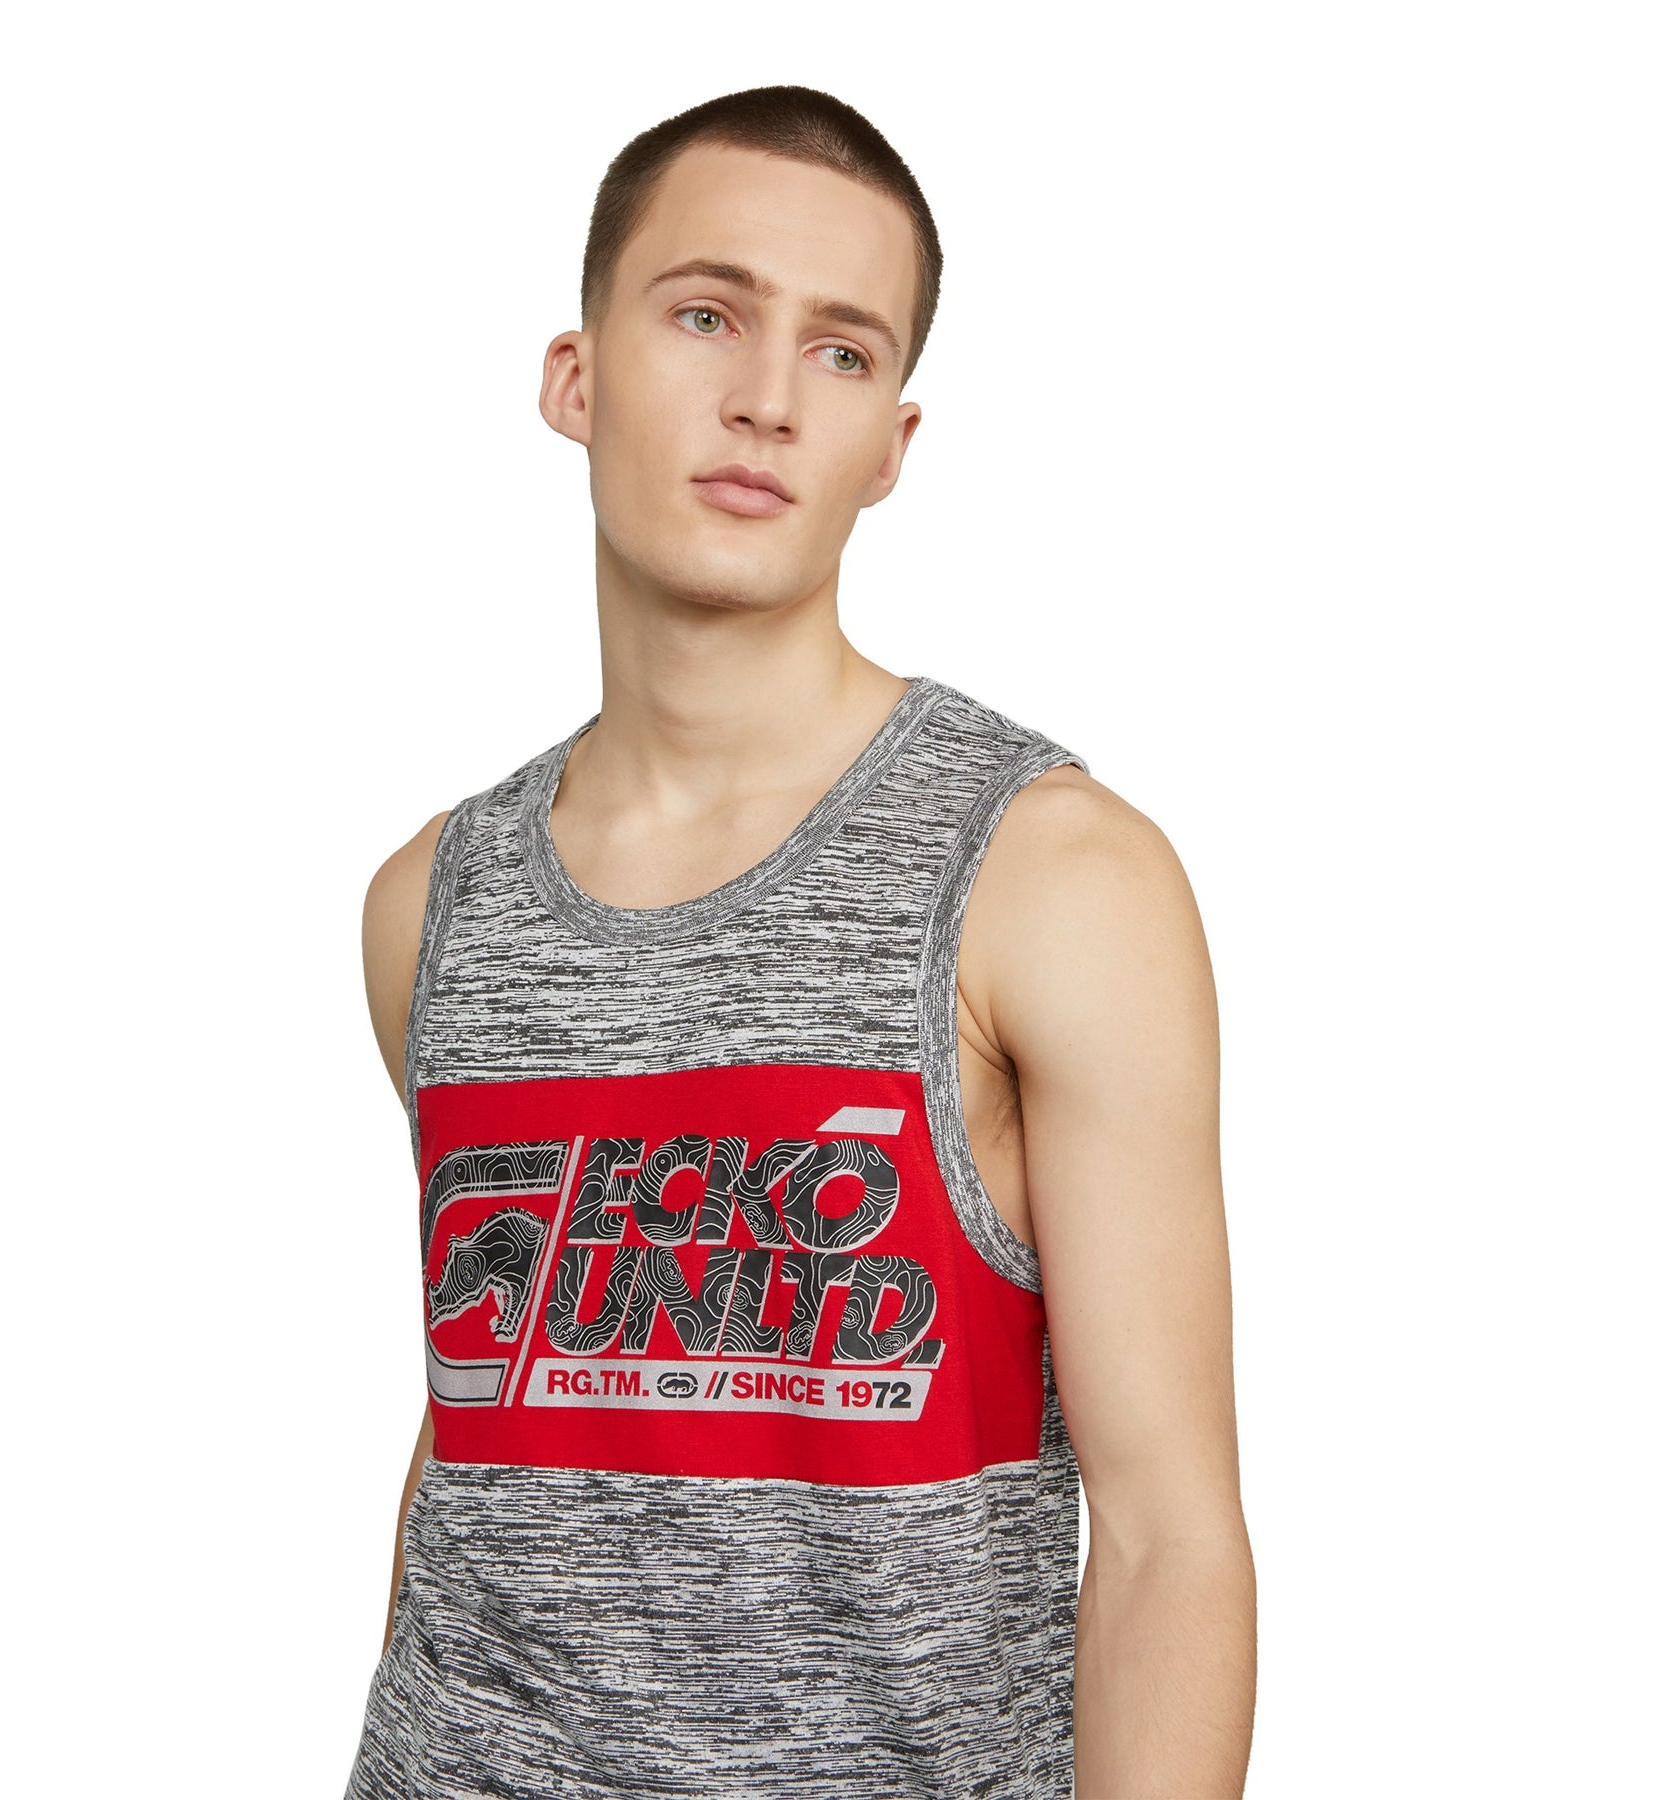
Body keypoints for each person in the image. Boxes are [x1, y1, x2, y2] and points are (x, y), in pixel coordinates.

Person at [344, 84, 1255, 1800]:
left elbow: (1166, 1541)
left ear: (890, 447)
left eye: (840, 352)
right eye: (707, 315)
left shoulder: (1051, 877)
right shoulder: (429, 904)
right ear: (576, 377)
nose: (766, 396)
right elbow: (498, 1422)